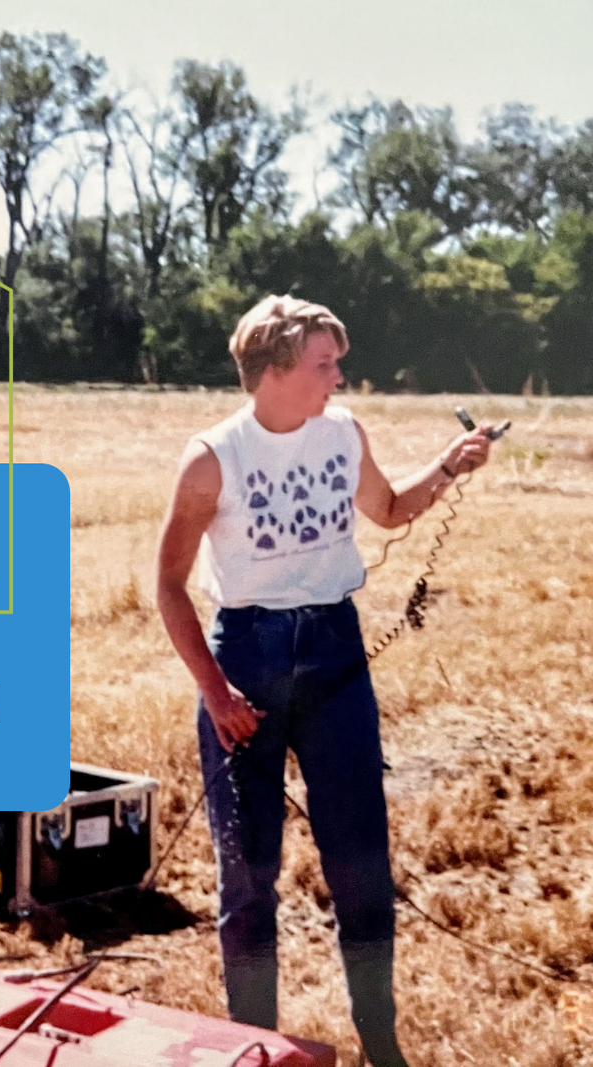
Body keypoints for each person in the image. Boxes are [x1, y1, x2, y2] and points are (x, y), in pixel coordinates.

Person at [154, 295, 495, 1066]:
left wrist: (450, 463)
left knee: (361, 860)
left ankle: (382, 1042)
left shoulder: (343, 433)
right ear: (275, 371)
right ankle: (257, 1050)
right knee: (249, 877)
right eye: (325, 363)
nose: (340, 375)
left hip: (335, 652)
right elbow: (169, 586)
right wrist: (216, 692)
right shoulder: (212, 458)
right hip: (247, 657)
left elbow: (388, 507)